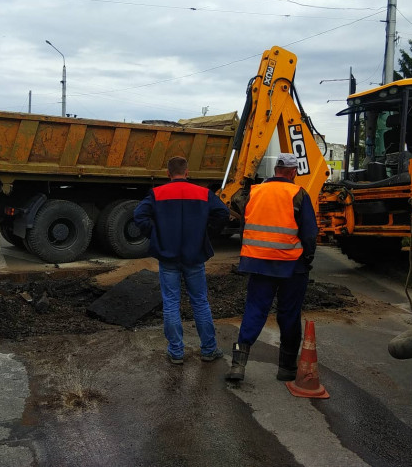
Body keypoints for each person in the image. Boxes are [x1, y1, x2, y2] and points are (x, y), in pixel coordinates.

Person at [225, 153, 318, 383]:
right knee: (289, 314)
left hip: (258, 262)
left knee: (254, 310)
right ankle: (286, 369)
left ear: (276, 169)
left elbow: (247, 225)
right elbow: (309, 233)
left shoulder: (255, 192)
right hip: (291, 266)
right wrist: (308, 258)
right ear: (293, 172)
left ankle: (238, 365)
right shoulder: (298, 193)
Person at [134, 156, 230, 365]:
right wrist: (206, 233)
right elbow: (223, 213)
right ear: (187, 173)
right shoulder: (203, 193)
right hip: (194, 256)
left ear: (168, 174)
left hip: (168, 256)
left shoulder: (157, 194)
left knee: (170, 303)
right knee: (200, 302)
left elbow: (139, 216)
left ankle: (176, 352)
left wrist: (156, 235)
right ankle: (208, 349)